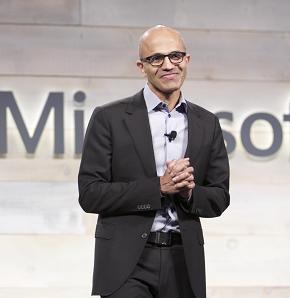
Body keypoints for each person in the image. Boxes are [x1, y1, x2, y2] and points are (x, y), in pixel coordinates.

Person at [78, 25, 230, 298]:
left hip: (183, 259)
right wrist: (158, 187)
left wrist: (188, 192)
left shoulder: (207, 123)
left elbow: (219, 197)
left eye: (175, 56)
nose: (168, 65)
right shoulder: (109, 118)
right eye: (156, 58)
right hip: (126, 263)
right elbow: (90, 195)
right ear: (141, 66)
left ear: (187, 60)